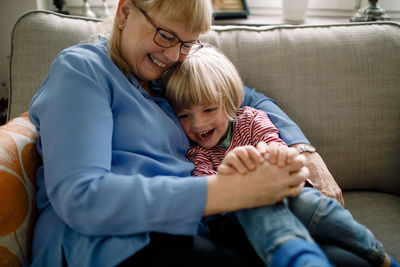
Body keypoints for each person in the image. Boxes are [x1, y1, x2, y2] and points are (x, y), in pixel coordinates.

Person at [25, 0, 357, 266]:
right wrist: (231, 191)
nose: (173, 55)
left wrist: (303, 150)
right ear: (124, 11)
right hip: (109, 244)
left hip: (189, 228)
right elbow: (82, 198)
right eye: (165, 36)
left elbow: (245, 98)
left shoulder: (162, 74)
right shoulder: (83, 70)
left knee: (346, 259)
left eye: (186, 43)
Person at [163, 45, 399, 267]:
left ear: (229, 101)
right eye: (184, 115)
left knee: (309, 202)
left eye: (209, 110)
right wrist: (231, 180)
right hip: (236, 218)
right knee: (255, 206)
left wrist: (273, 161)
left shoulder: (252, 119)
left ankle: (377, 254)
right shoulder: (196, 151)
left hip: (283, 194)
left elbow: (276, 147)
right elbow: (205, 189)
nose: (198, 123)